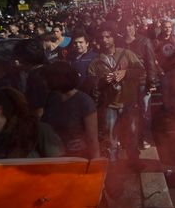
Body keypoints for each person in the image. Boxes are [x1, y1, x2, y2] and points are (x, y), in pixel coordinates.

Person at [88, 25, 145, 161]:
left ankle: (134, 161)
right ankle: (113, 166)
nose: (105, 40)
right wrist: (102, 81)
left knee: (131, 134)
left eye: (108, 36)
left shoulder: (126, 54)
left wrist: (126, 72)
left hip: (128, 102)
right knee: (110, 136)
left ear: (114, 38)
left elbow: (141, 70)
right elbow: (91, 84)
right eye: (102, 37)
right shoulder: (96, 62)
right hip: (110, 105)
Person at [42, 61, 99, 159]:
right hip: (53, 157)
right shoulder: (52, 98)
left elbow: (92, 138)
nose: (44, 81)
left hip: (77, 157)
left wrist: (94, 167)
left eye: (47, 78)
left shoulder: (84, 101)